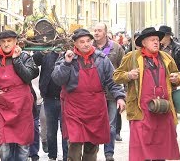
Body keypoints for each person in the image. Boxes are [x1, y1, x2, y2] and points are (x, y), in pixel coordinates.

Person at [51, 28, 125, 161]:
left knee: (92, 145)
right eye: (81, 41)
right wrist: (66, 63)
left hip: (95, 108)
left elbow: (112, 81)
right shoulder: (67, 58)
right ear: (75, 44)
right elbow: (57, 79)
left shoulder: (102, 59)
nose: (85, 44)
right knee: (75, 143)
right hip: (74, 107)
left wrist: (119, 97)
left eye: (88, 41)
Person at [113, 27, 180, 161]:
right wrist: (128, 75)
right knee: (142, 150)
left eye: (157, 40)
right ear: (144, 43)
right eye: (152, 40)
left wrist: (176, 79)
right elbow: (116, 76)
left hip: (163, 109)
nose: (156, 42)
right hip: (142, 110)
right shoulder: (132, 57)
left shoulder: (166, 57)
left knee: (161, 148)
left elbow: (178, 77)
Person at [0, 30, 39, 161]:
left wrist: (16, 60)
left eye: (9, 41)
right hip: (4, 106)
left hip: (23, 106)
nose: (6, 44)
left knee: (23, 144)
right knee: (4, 145)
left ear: (15, 42)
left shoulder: (25, 57)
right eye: (3, 42)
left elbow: (28, 76)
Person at [93, 23, 125, 161]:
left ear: (105, 33)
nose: (96, 33)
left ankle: (109, 153)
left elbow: (123, 67)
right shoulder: (89, 47)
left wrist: (122, 93)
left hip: (111, 92)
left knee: (111, 125)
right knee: (94, 124)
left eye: (99, 30)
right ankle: (93, 151)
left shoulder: (116, 48)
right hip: (94, 94)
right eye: (94, 30)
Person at [33, 50, 69, 161]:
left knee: (66, 130)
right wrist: (43, 50)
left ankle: (66, 156)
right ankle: (52, 156)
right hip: (49, 97)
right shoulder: (47, 52)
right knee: (50, 130)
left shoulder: (69, 53)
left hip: (66, 97)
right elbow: (35, 60)